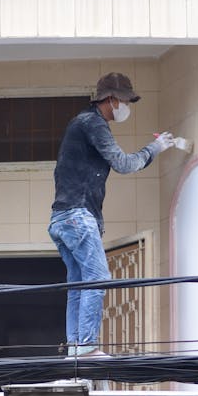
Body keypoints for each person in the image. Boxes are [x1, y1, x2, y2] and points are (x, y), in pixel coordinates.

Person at [49, 72, 174, 356]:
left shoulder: (80, 124)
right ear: (111, 100)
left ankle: (76, 347)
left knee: (78, 283)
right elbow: (124, 163)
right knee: (97, 278)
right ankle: (87, 346)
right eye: (125, 101)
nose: (126, 107)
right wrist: (154, 148)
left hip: (61, 219)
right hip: (77, 216)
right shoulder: (93, 122)